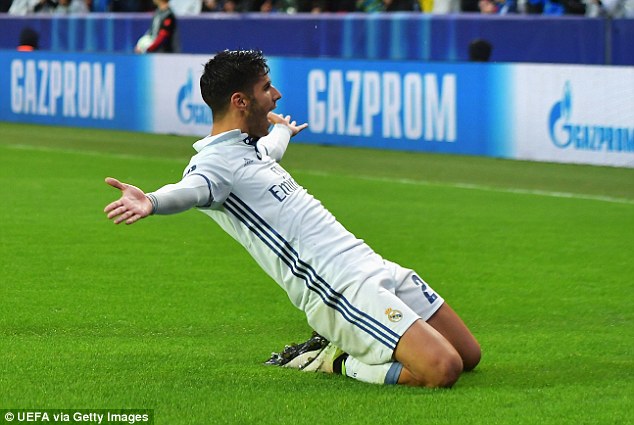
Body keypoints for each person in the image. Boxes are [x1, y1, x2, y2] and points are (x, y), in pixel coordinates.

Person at [104, 49, 481, 388]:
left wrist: (283, 130)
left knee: (468, 357)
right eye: (266, 87)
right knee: (441, 369)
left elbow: (270, 150)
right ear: (240, 100)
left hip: (369, 262)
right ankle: (335, 360)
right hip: (338, 289)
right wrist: (151, 200)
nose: (276, 94)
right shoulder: (213, 165)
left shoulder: (249, 151)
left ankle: (355, 345)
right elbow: (192, 189)